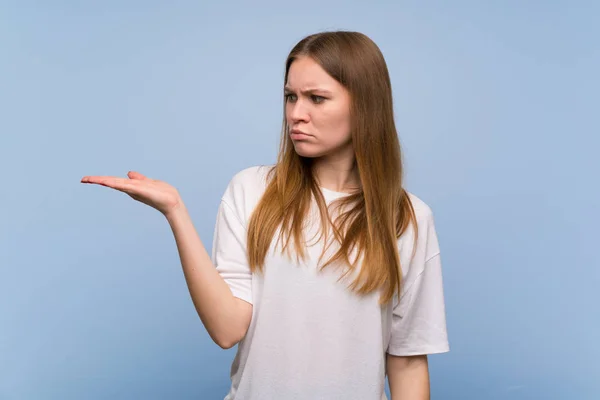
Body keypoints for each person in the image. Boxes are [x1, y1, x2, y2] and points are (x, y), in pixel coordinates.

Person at [81, 30, 449, 400]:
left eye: (316, 99)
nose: (296, 114)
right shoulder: (251, 191)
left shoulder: (409, 218)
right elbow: (227, 329)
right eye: (290, 97)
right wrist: (175, 212)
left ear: (365, 106)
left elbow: (407, 361)